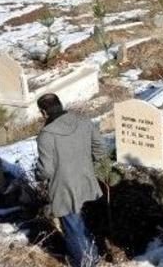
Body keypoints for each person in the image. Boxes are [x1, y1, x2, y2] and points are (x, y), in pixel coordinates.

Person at [35, 94, 106, 267]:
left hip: (64, 189)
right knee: (90, 223)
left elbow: (46, 170)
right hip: (88, 182)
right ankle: (97, 255)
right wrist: (93, 169)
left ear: (44, 112)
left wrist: (38, 175)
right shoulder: (84, 122)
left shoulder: (46, 135)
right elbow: (100, 149)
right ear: (60, 104)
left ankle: (87, 263)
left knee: (74, 229)